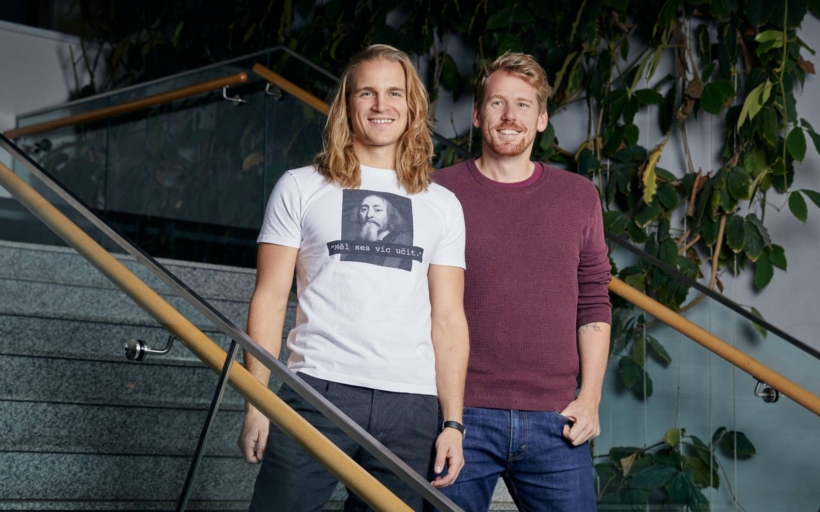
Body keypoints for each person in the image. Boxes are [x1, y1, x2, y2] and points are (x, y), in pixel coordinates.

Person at [237, 44, 469, 512]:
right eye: (367, 92)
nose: (382, 105)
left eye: (394, 93)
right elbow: (270, 298)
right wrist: (256, 402)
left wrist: (452, 424)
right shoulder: (300, 186)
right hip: (317, 390)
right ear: (347, 103)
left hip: (411, 406)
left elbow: (448, 320)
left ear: (412, 106)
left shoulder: (442, 204)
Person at [434, 52, 612, 511]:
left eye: (523, 105)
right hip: (459, 415)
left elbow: (594, 299)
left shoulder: (578, 196)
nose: (510, 116)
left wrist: (590, 398)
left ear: (541, 119)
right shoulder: (436, 192)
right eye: (497, 103)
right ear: (478, 114)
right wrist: (447, 415)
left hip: (557, 419)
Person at [342, 191, 413, 269]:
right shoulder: (357, 242)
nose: (369, 215)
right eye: (364, 209)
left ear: (391, 214)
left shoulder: (403, 242)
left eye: (377, 210)